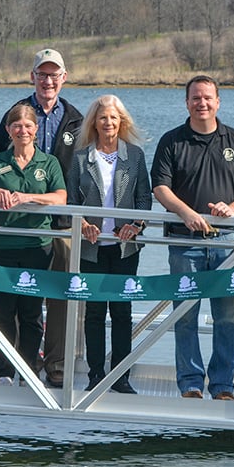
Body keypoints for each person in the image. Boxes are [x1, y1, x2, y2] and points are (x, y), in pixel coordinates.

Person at [150, 75, 234, 400]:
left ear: (218, 102)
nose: (202, 103)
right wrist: (186, 213)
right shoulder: (172, 141)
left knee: (228, 317)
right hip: (184, 242)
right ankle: (191, 383)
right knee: (185, 315)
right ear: (187, 103)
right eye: (196, 98)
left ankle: (223, 385)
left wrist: (232, 209)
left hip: (226, 241)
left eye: (208, 98)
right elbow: (160, 187)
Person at [0, 48, 83, 388]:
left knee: (58, 299)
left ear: (64, 77)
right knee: (12, 303)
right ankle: (10, 365)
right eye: (42, 74)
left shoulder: (76, 118)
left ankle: (55, 365)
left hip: (59, 226)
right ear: (32, 76)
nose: (48, 80)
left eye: (53, 74)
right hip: (17, 230)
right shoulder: (16, 114)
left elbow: (83, 171)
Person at [0, 104, 68, 385]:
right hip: (0, 246)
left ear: (36, 130)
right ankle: (4, 371)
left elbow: (61, 197)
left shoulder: (48, 163)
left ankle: (28, 368)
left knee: (32, 312)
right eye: (16, 126)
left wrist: (29, 197)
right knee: (3, 312)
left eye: (28, 126)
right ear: (9, 130)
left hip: (37, 245)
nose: (22, 131)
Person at [68, 95, 152, 394]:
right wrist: (83, 224)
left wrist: (136, 225)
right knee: (93, 312)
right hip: (92, 246)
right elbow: (71, 202)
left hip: (124, 247)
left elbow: (144, 198)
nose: (108, 123)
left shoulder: (136, 156)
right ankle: (95, 374)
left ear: (122, 121)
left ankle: (121, 375)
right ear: (94, 122)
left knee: (121, 311)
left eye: (114, 118)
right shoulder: (80, 158)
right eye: (103, 117)